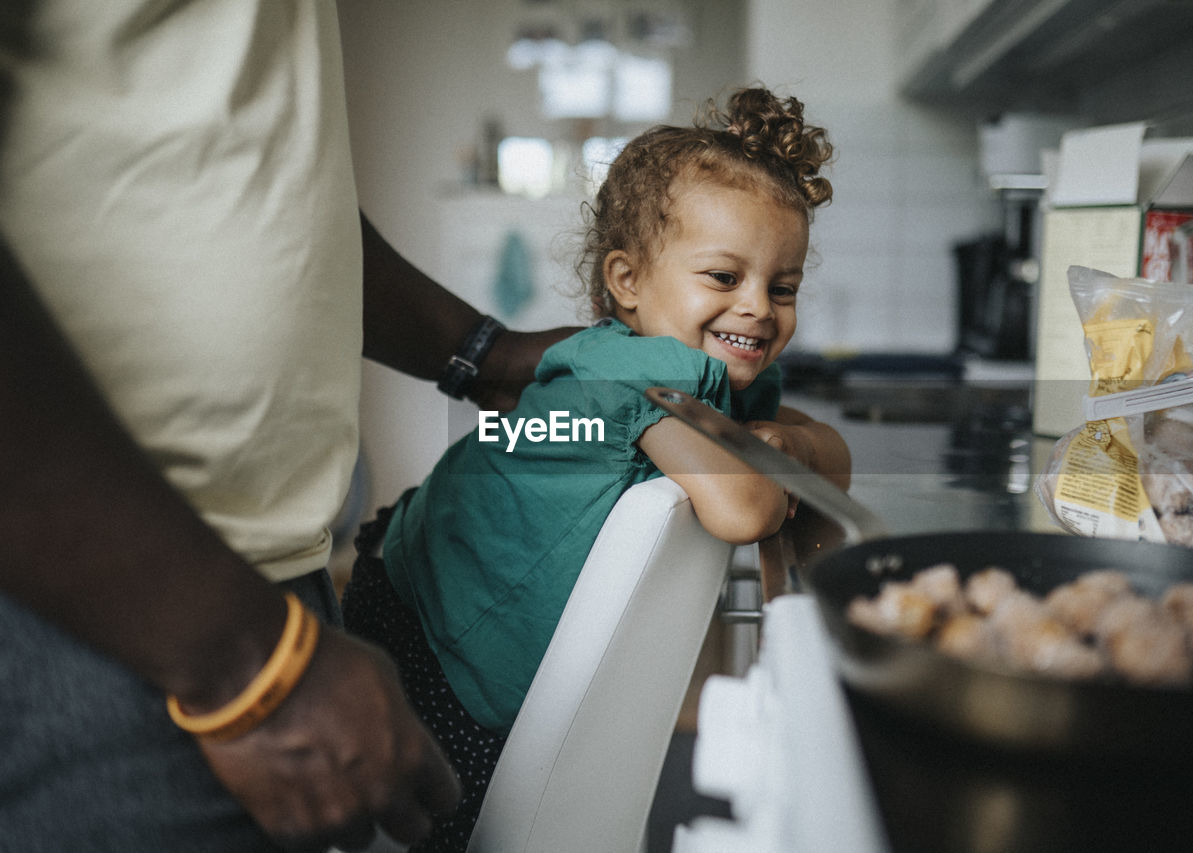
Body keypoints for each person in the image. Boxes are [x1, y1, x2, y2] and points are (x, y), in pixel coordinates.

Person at [0, 2, 571, 851]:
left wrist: (483, 354)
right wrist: (242, 664)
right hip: (112, 611)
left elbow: (243, 178)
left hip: (248, 598)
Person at [341, 86, 852, 851]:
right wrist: (781, 457)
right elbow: (743, 510)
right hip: (421, 621)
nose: (757, 308)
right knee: (446, 819)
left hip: (455, 603)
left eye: (783, 287)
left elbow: (833, 453)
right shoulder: (626, 372)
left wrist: (796, 444)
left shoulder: (720, 371)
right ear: (628, 282)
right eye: (723, 278)